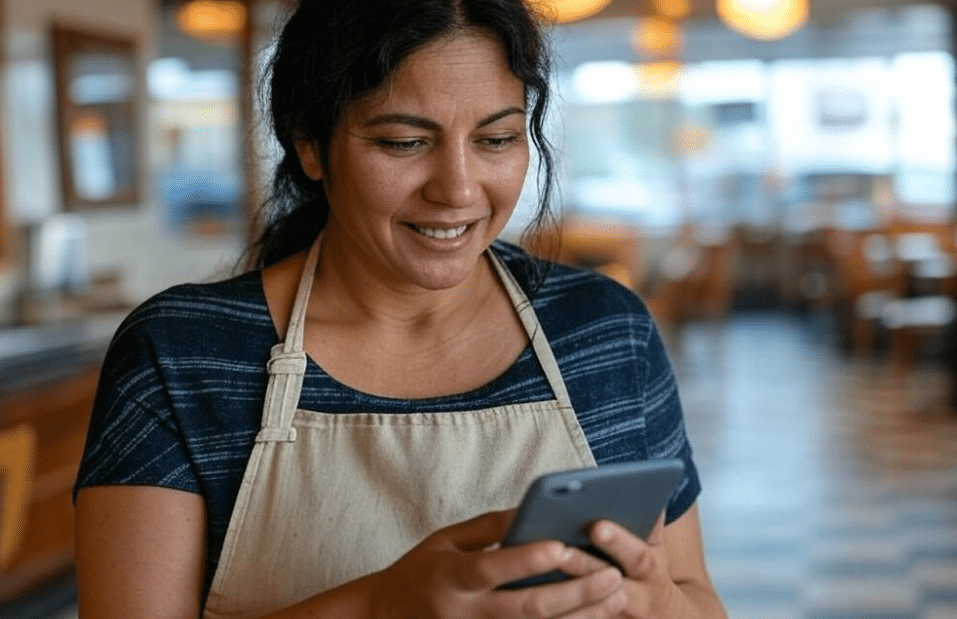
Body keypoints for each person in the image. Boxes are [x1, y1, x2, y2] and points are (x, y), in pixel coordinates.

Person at [73, 1, 727, 617]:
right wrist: (381, 605)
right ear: (308, 143)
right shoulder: (182, 355)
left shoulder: (604, 331)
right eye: (403, 143)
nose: (458, 189)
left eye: (495, 138)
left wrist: (650, 600)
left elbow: (693, 594)